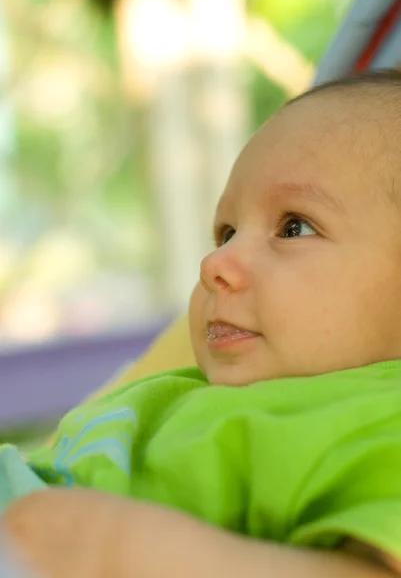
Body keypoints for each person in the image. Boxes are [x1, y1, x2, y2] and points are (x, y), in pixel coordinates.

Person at [3, 69, 401, 578]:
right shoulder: (175, 386)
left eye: (294, 227)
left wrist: (116, 548)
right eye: (227, 231)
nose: (215, 264)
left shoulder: (374, 418)